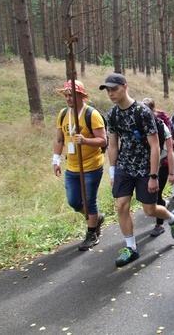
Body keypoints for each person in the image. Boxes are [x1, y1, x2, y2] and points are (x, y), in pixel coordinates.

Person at [100, 73, 174, 267]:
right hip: (124, 167)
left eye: (114, 89)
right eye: (108, 90)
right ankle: (131, 248)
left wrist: (153, 175)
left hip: (145, 168)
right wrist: (112, 172)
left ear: (125, 87)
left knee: (149, 210)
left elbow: (154, 146)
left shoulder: (142, 112)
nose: (111, 93)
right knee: (121, 205)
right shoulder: (112, 114)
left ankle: (170, 217)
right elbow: (112, 145)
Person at [53, 80, 107, 251]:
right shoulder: (63, 114)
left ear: (82, 96)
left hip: (91, 166)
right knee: (74, 201)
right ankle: (95, 218)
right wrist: (56, 160)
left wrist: (85, 140)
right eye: (66, 95)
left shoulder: (92, 114)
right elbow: (59, 139)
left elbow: (103, 140)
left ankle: (91, 233)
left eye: (71, 95)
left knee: (89, 201)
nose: (68, 98)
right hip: (72, 167)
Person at [141, 98, 174, 237]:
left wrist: (172, 173)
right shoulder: (139, 125)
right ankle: (164, 206)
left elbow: (170, 151)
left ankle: (160, 223)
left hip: (161, 165)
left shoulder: (162, 126)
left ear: (153, 111)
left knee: (157, 194)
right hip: (145, 165)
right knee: (151, 196)